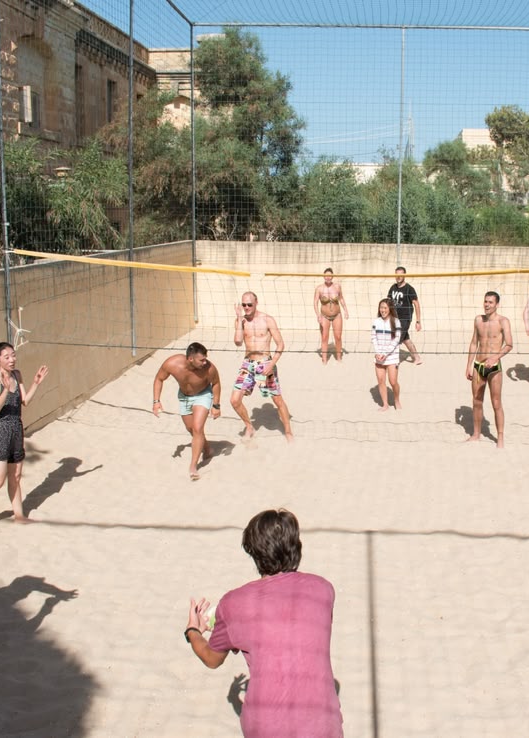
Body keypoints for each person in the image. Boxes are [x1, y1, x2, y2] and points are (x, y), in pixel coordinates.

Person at [183, 509, 344, 738]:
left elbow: (211, 659)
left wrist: (193, 631)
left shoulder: (233, 604)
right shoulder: (323, 590)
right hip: (323, 726)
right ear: (296, 546)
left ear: (253, 551)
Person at [0, 342, 48, 532]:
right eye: (6, 357)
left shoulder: (17, 374)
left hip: (17, 430)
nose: (12, 359)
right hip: (1, 432)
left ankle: (19, 515)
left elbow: (25, 401)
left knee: (15, 476)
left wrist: (36, 383)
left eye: (13, 355)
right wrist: (6, 389)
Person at [152, 342, 222, 480]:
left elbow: (216, 383)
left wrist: (216, 405)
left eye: (205, 358)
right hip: (184, 397)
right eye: (201, 360)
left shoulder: (209, 368)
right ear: (191, 359)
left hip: (203, 395)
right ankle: (207, 448)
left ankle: (193, 466)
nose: (205, 362)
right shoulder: (172, 364)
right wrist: (156, 401)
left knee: (197, 428)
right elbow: (159, 379)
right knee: (191, 429)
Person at [231, 292, 294, 440]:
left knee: (277, 400)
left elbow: (281, 345)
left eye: (249, 305)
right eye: (244, 304)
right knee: (234, 400)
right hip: (248, 364)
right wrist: (240, 320)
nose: (246, 307)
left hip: (265, 363)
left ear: (256, 302)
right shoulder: (240, 321)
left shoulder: (267, 320)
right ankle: (249, 427)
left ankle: (288, 432)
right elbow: (238, 342)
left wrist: (271, 364)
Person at [465, 291, 513, 448]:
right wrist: (469, 365)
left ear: (497, 304)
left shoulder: (503, 321)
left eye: (490, 302)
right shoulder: (478, 320)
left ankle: (500, 437)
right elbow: (474, 343)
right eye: (485, 301)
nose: (487, 305)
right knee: (477, 401)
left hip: (494, 367)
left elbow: (509, 344)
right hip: (478, 366)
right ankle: (476, 433)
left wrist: (495, 358)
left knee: (496, 402)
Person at [372, 298, 403, 410]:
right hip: (379, 355)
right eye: (381, 308)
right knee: (381, 380)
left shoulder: (396, 321)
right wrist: (378, 352)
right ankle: (385, 404)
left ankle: (396, 400)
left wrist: (385, 353)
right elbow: (373, 337)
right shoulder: (376, 322)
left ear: (390, 309)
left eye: (385, 308)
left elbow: (396, 340)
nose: (383, 310)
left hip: (392, 355)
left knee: (393, 381)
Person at [387, 266, 423, 364]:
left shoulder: (409, 289)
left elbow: (416, 304)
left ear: (404, 275)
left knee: (397, 339)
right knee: (406, 339)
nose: (398, 277)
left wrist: (418, 321)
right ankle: (417, 357)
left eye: (401, 275)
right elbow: (388, 303)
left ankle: (393, 361)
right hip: (395, 318)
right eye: (396, 274)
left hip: (405, 318)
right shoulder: (393, 288)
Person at [314, 268, 349, 363]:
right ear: (323, 276)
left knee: (338, 337)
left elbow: (341, 298)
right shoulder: (319, 288)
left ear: (332, 276)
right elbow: (315, 302)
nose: (328, 277)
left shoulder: (337, 286)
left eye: (330, 275)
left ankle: (339, 357)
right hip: (324, 315)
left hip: (337, 315)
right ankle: (324, 359)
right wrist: (318, 315)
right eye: (326, 275)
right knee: (324, 337)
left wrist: (346, 310)